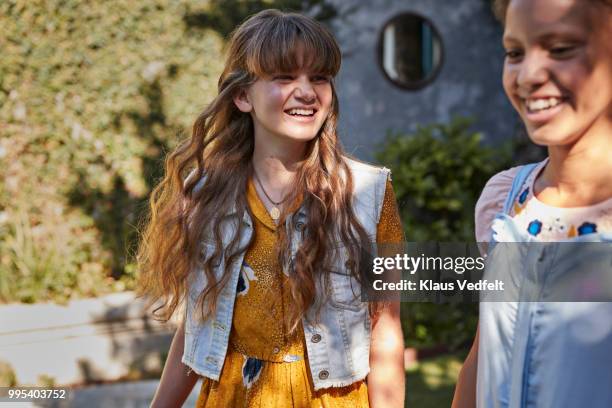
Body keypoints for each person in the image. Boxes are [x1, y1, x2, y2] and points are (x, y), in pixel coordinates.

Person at [137, 9, 405, 408]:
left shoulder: (369, 193)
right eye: (284, 77)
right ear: (243, 96)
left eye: (319, 77)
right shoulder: (205, 195)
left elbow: (385, 328)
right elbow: (198, 327)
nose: (307, 91)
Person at [453, 0, 612, 406]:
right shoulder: (502, 201)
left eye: (560, 49)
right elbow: (483, 353)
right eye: (514, 52)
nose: (529, 75)